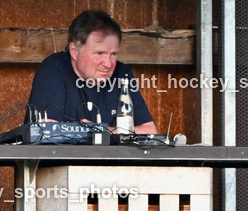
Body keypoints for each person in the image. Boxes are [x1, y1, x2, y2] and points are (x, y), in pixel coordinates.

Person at [28, 10, 157, 134]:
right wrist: (91, 132)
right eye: (99, 53)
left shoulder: (121, 73)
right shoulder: (54, 69)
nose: (108, 64)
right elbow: (44, 131)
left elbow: (149, 130)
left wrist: (102, 131)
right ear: (74, 51)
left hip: (111, 157)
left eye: (113, 54)